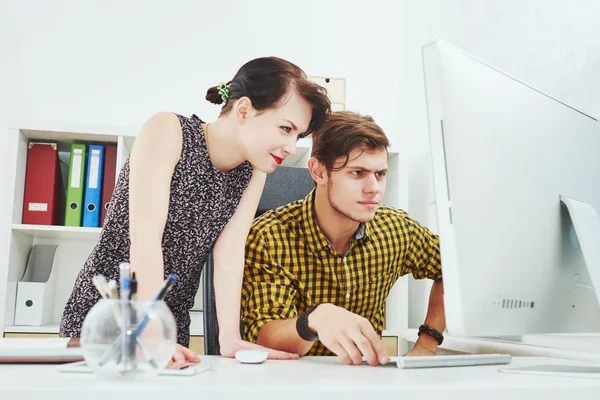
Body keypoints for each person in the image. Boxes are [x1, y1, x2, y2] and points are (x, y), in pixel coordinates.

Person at [59, 56, 331, 368]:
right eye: (285, 128)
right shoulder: (168, 129)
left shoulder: (255, 169)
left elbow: (229, 253)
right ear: (244, 110)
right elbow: (145, 239)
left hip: (169, 322)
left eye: (298, 136)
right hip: (108, 313)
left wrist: (229, 337)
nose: (291, 146)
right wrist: (147, 331)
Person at [240, 111, 445, 366]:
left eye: (380, 174)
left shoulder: (397, 229)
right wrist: (312, 320)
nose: (374, 188)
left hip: (363, 382)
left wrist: (427, 344)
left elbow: (453, 268)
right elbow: (264, 338)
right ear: (318, 171)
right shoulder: (268, 236)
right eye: (358, 172)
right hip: (289, 383)